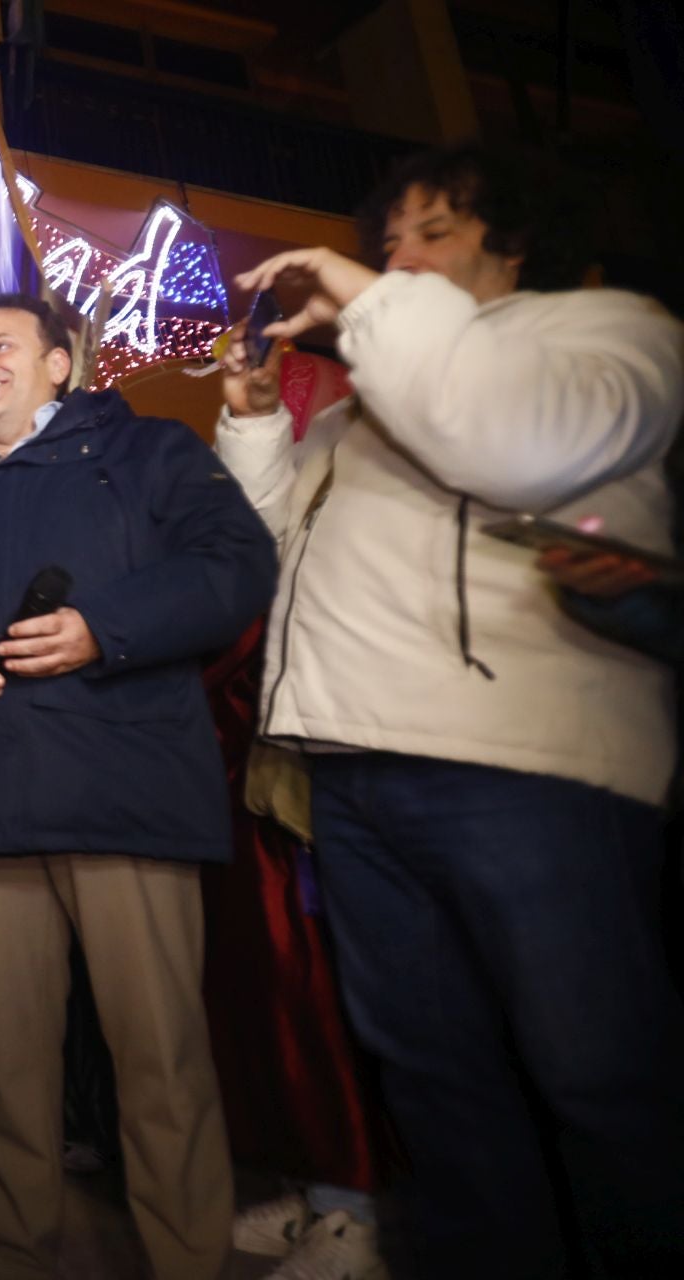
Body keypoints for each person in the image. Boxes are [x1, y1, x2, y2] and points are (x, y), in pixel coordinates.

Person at [215, 142, 684, 1278]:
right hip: (361, 761)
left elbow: (510, 443)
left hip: (521, 766)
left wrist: (378, 301)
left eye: (436, 234)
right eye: (394, 242)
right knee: (434, 1073)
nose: (402, 258)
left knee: (596, 1073)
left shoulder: (608, 333)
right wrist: (259, 422)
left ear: (514, 238)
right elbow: (280, 554)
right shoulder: (373, 398)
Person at [0, 291, 277, 1280]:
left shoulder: (149, 453)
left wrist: (103, 626)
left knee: (160, 1062)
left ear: (60, 363)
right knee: (8, 1070)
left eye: (3, 345)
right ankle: (14, 1258)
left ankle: (189, 1261)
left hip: (122, 795)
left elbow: (240, 561)